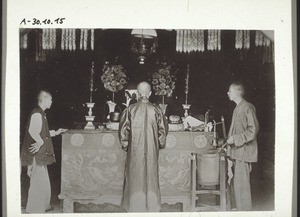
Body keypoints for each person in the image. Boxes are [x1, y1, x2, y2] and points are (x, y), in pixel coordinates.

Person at [118, 82, 168, 212]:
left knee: (134, 177)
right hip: (152, 150)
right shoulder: (157, 110)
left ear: (137, 94)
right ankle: (152, 208)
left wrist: (127, 147)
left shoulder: (130, 110)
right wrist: (159, 145)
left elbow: (123, 133)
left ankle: (134, 208)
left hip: (134, 151)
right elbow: (163, 133)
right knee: (151, 176)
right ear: (150, 93)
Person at [20, 90, 66, 213]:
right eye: (50, 100)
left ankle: (43, 206)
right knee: (38, 182)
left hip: (39, 154)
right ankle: (34, 210)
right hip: (36, 155)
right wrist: (40, 142)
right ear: (45, 100)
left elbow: (42, 133)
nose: (51, 102)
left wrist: (56, 132)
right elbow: (33, 131)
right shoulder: (37, 114)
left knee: (42, 181)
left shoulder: (41, 114)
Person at [226, 82, 259, 211]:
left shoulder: (247, 107)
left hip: (244, 153)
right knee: (238, 184)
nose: (227, 93)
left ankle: (244, 212)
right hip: (237, 152)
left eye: (230, 91)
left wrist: (235, 139)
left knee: (242, 186)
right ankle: (240, 210)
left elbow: (253, 130)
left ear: (238, 92)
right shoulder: (237, 108)